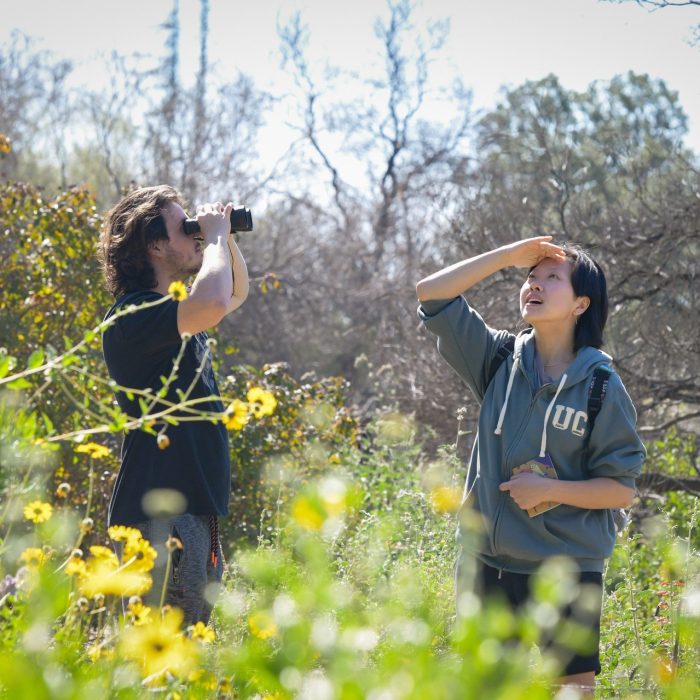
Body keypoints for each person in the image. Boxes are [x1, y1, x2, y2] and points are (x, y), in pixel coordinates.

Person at [416, 236, 645, 695]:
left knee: (574, 689)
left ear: (582, 303)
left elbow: (621, 490)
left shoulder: (601, 387)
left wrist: (550, 491)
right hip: (487, 563)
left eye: (551, 278)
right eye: (530, 277)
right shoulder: (497, 358)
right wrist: (507, 255)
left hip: (567, 567)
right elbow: (431, 292)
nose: (533, 285)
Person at [98, 185, 249, 625]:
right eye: (185, 228)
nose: (196, 235)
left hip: (192, 510)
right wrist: (216, 238)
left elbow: (233, 293)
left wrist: (226, 239)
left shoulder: (173, 314)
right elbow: (215, 302)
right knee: (163, 664)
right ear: (156, 244)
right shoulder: (133, 316)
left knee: (189, 662)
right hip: (161, 516)